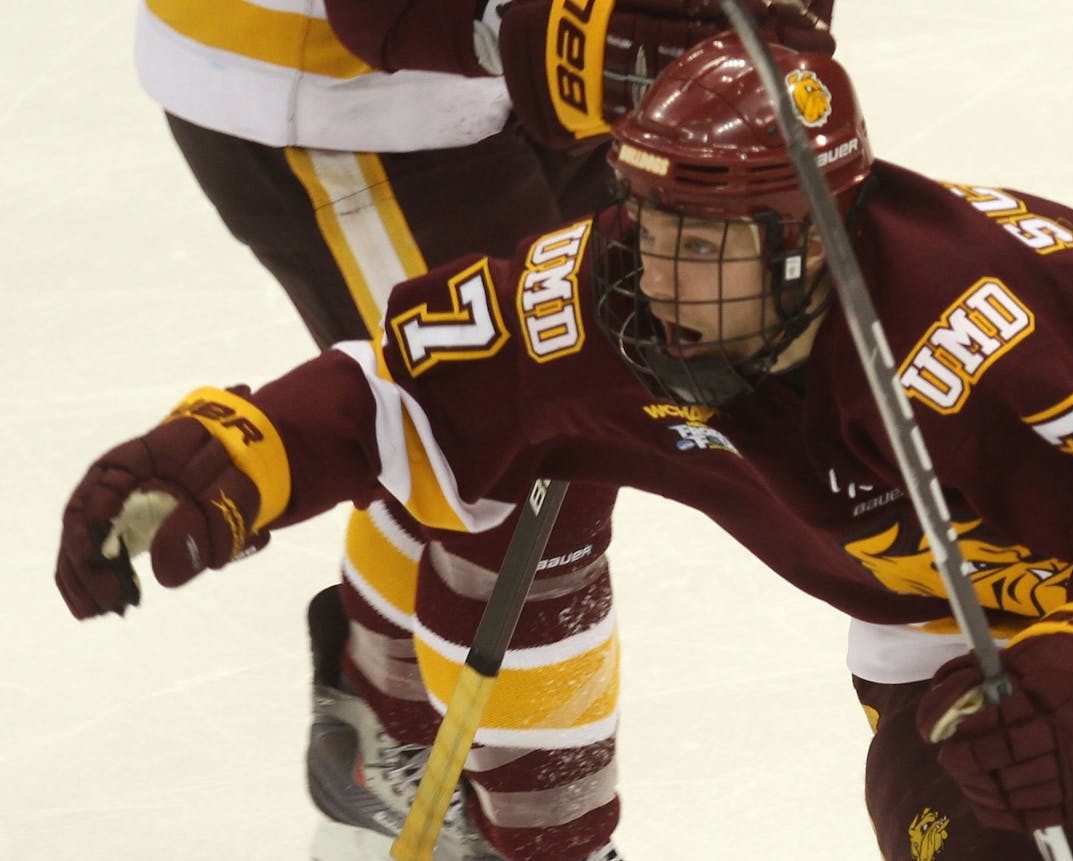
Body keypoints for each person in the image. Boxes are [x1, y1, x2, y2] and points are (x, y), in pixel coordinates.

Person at [58, 32, 1073, 860]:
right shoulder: (592, 297)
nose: (660, 266)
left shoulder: (987, 319)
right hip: (966, 645)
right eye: (651, 222)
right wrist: (222, 459)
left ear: (806, 239)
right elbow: (407, 394)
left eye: (705, 242)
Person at [131, 2, 831, 859]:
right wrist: (531, 24)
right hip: (341, 89)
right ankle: (541, 841)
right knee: (509, 451)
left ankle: (380, 720)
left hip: (558, 75)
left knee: (526, 415)